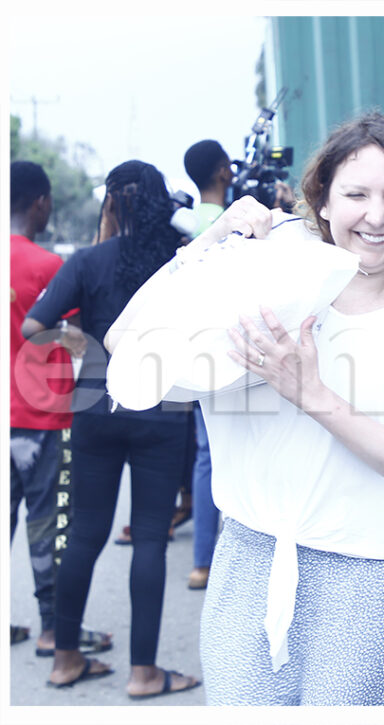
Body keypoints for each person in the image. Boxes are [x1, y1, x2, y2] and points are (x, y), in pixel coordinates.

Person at [155, 113, 384, 705]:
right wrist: (210, 240)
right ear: (323, 202)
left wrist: (314, 396)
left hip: (373, 577)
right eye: (356, 195)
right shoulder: (266, 286)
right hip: (249, 562)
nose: (376, 216)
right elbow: (131, 348)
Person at [23, 160, 200, 698]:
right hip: (162, 408)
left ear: (111, 203)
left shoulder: (88, 260)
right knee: (149, 538)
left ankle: (65, 659)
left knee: (84, 534)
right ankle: (144, 673)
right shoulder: (180, 261)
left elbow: (33, 326)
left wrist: (84, 343)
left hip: (95, 405)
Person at [9, 161, 115, 657]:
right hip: (41, 415)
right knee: (49, 524)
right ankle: (53, 629)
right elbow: (78, 337)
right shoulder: (47, 266)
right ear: (41, 202)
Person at [181, 138, 233, 590]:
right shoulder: (236, 222)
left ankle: (201, 562)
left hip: (197, 351)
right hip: (235, 352)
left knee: (205, 456)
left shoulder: (184, 224)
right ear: (222, 171)